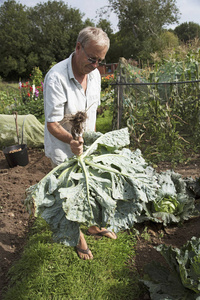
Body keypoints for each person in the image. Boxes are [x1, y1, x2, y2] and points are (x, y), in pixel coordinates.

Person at [43, 27, 117, 260]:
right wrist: (72, 140)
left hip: (86, 144)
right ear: (78, 48)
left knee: (90, 187)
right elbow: (52, 123)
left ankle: (94, 226)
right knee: (69, 193)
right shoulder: (56, 77)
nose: (96, 65)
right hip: (62, 145)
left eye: (101, 60)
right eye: (92, 58)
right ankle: (78, 237)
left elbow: (91, 112)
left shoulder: (94, 75)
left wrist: (91, 140)